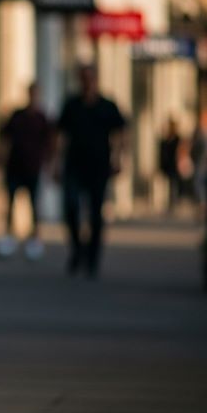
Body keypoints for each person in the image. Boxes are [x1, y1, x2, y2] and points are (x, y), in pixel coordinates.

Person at [57, 65, 126, 278]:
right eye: (83, 78)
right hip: (74, 165)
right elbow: (60, 135)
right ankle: (78, 250)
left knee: (96, 214)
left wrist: (119, 158)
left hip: (98, 167)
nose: (87, 83)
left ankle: (92, 259)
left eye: (90, 78)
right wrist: (55, 162)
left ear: (96, 80)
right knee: (70, 207)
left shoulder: (107, 106)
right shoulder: (72, 105)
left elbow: (121, 133)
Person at [0, 82, 53, 260]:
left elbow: (49, 143)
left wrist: (49, 164)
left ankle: (34, 240)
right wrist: (1, 160)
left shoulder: (42, 118)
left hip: (33, 168)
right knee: (10, 202)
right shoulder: (17, 116)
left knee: (33, 204)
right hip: (14, 167)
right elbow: (5, 139)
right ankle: (8, 237)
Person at [158, 118, 182, 213]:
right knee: (170, 184)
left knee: (174, 184)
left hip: (174, 165)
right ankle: (170, 203)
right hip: (168, 165)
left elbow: (180, 151)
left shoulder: (177, 139)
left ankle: (173, 203)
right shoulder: (166, 139)